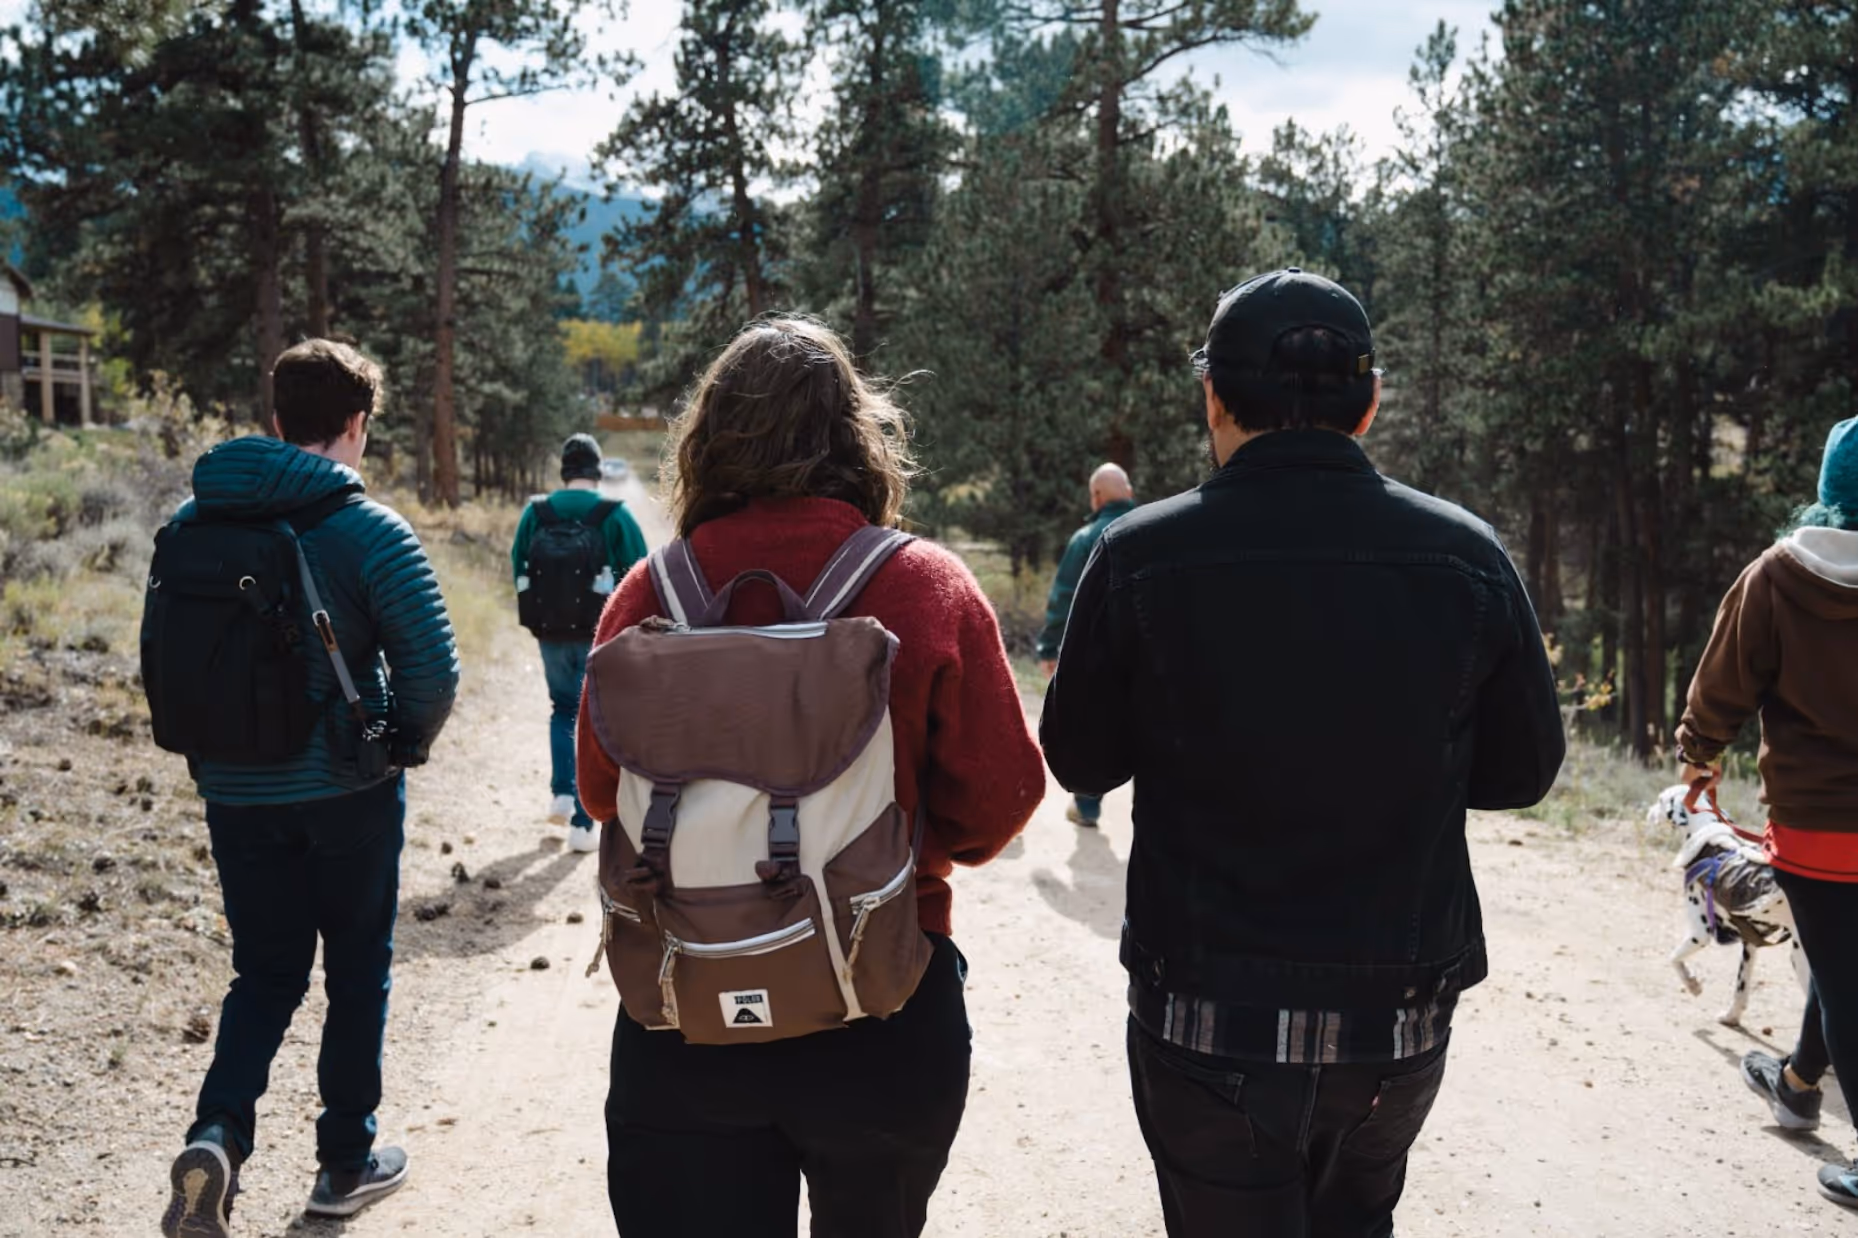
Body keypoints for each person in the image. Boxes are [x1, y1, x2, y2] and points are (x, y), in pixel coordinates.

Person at [1040, 269, 1566, 1238]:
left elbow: (1081, 753)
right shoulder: (1468, 555)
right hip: (1395, 1016)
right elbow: (1519, 774)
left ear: (1212, 397)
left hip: (1205, 1012)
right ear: (1367, 403)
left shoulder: (1139, 555)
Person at [576, 317, 1045, 1238]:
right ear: (858, 439)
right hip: (879, 1002)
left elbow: (602, 792)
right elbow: (1000, 802)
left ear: (707, 440)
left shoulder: (649, 593)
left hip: (685, 1005)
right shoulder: (927, 586)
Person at [151, 340, 459, 1237]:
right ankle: (342, 1165)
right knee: (357, 971)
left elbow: (166, 660)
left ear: (279, 418)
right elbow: (432, 674)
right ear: (357, 424)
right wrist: (397, 739)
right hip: (346, 795)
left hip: (235, 795)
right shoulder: (369, 530)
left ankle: (216, 1134)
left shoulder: (188, 522)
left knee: (265, 971)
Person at [1677, 415, 1858, 1212]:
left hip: (1818, 827)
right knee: (1842, 962)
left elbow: (1725, 682)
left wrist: (1699, 754)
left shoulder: (1778, 576)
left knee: (1846, 975)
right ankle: (1793, 1085)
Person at [510, 433, 648, 852]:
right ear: (596, 469)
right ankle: (583, 825)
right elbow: (640, 572)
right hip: (599, 632)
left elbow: (519, 563)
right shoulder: (615, 515)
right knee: (593, 718)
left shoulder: (537, 512)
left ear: (564, 471)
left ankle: (561, 793)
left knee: (562, 709)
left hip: (551, 630)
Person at [1037, 462, 1137, 828]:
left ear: (1096, 496)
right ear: (1128, 491)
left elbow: (1063, 596)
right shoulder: (1157, 530)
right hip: (1151, 652)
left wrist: (1050, 648)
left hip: (1098, 655)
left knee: (1097, 725)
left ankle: (1088, 808)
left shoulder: (1085, 538)